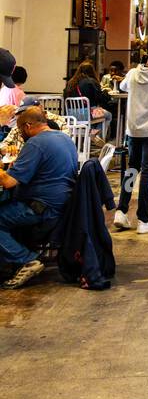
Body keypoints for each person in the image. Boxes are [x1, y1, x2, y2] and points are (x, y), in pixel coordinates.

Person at [0, 106, 79, 288]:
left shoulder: (36, 143)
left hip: (42, 208)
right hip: (61, 204)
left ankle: (26, 260)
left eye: (21, 131)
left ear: (27, 126)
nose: (21, 135)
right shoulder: (64, 138)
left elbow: (9, 182)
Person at [115, 37, 148, 234]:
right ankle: (144, 219)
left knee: (132, 170)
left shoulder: (133, 74)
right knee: (147, 174)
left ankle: (121, 210)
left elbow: (122, 88)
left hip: (133, 129)